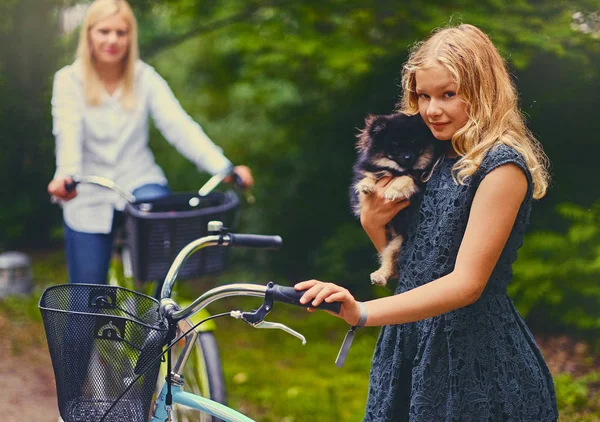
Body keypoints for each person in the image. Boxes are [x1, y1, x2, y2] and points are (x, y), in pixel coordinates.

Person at [296, 24, 558, 421]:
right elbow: (411, 265)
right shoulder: (427, 159)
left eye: (448, 94)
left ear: (483, 90)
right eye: (423, 96)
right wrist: (372, 221)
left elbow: (466, 284)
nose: (432, 109)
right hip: (410, 344)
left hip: (473, 359)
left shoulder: (500, 167)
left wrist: (362, 312)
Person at [46, 0, 253, 285]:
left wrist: (223, 167)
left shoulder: (145, 78)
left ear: (131, 37)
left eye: (121, 32)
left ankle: (161, 317)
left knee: (164, 266)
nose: (112, 40)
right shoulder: (69, 80)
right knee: (85, 297)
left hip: (139, 180)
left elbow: (179, 126)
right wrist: (66, 178)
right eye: (104, 31)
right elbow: (67, 133)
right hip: (88, 193)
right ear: (89, 34)